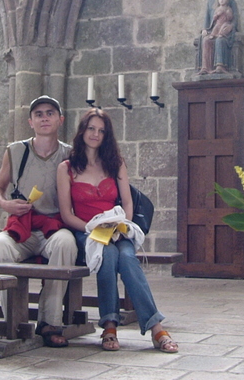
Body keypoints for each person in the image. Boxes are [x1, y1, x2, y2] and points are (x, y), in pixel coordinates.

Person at [56, 108, 178, 353]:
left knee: (126, 255)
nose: (95, 134)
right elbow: (67, 214)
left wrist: (122, 227)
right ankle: (110, 325)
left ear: (106, 136)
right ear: (82, 131)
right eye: (91, 128)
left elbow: (128, 202)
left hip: (116, 228)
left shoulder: (115, 163)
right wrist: (92, 228)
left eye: (101, 130)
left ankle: (155, 327)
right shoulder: (66, 168)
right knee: (108, 255)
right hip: (85, 231)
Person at [0, 95, 77, 348]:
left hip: (53, 227)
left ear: (60, 119)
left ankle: (50, 322)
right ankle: (15, 322)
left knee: (65, 244)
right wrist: (5, 204)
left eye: (50, 113)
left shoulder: (70, 154)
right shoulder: (16, 150)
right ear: (30, 121)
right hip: (22, 227)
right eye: (39, 114)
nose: (44, 117)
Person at [199, 0, 239, 74]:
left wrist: (232, 26)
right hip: (214, 28)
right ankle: (205, 68)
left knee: (219, 40)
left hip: (225, 28)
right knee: (206, 40)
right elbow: (207, 16)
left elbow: (235, 15)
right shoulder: (211, 0)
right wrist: (204, 29)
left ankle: (220, 66)